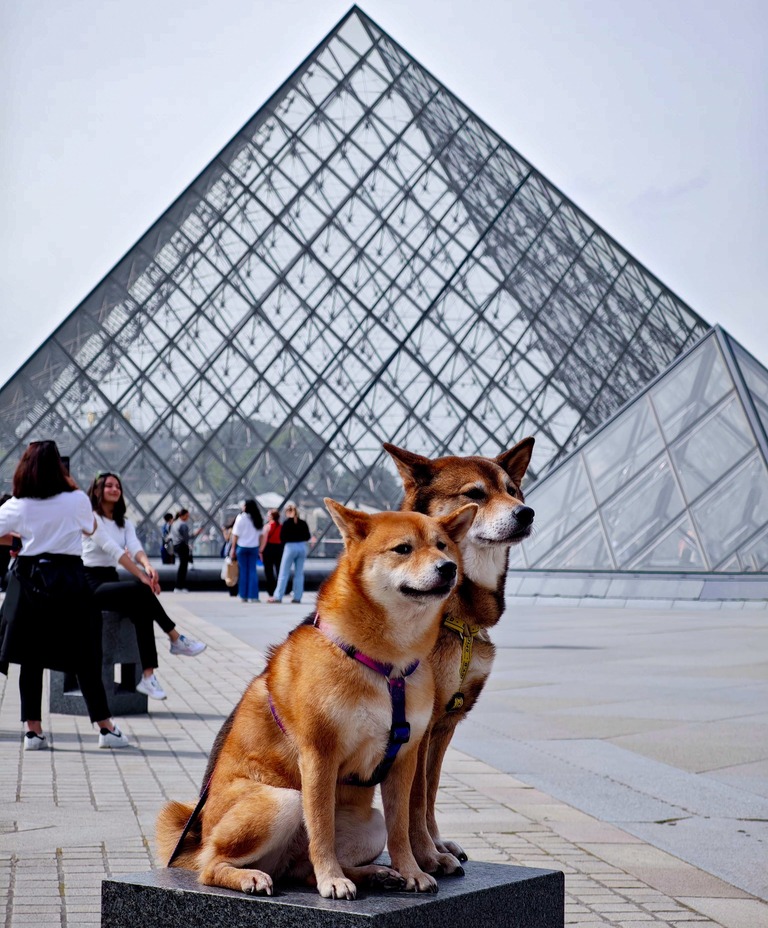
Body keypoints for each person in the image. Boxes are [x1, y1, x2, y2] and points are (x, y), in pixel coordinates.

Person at [0, 440, 128, 750]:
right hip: (69, 580)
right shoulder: (75, 501)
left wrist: (21, 535)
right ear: (59, 467)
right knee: (85, 656)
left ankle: (33, 731)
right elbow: (88, 528)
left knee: (30, 658)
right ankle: (105, 728)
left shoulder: (17, 504)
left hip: (29, 578)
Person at [83, 473, 207, 701]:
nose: (114, 489)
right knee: (141, 590)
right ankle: (175, 637)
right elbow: (114, 550)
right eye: (108, 485)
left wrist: (148, 567)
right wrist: (141, 575)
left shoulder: (124, 522)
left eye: (117, 486)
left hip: (110, 580)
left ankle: (148, 676)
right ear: (97, 490)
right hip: (90, 584)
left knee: (143, 609)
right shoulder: (91, 519)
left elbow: (134, 546)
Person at [269, 502, 311, 604]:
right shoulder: (303, 523)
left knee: (283, 572)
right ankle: (297, 597)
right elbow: (308, 536)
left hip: (290, 547)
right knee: (299, 574)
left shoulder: (286, 523)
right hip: (301, 547)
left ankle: (278, 596)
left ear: (287, 512)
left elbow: (282, 538)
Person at [230, 499, 263, 603]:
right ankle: (253, 596)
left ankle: (243, 595)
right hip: (254, 547)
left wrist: (233, 548)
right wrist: (260, 548)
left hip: (242, 547)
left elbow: (235, 534)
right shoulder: (258, 518)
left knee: (243, 572)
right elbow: (261, 535)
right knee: (252, 571)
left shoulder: (241, 518)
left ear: (246, 507)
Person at [259, 509, 283, 598]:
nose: (267, 516)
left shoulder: (267, 526)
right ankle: (279, 589)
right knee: (279, 570)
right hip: (279, 549)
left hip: (269, 549)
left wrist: (261, 550)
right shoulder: (281, 526)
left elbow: (264, 540)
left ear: (272, 516)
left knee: (269, 571)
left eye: (268, 515)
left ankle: (271, 590)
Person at [171, 509, 192, 592]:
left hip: (176, 545)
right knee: (183, 567)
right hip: (182, 546)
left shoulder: (175, 523)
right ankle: (179, 586)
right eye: (187, 515)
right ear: (182, 516)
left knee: (182, 566)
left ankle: (179, 586)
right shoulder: (183, 525)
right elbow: (186, 538)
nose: (188, 517)